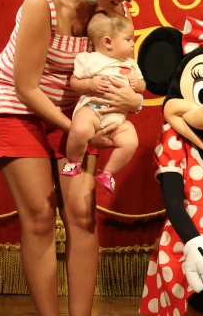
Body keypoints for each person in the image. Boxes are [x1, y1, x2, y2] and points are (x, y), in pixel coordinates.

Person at [0, 0, 148, 316]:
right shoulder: (44, 3)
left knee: (82, 211)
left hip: (76, 114)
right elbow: (26, 87)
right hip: (15, 109)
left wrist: (124, 102)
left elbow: (120, 78)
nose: (128, 2)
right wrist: (77, 125)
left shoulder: (113, 10)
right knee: (39, 214)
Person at [60, 10, 145, 194]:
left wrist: (136, 83)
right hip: (92, 110)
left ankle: (108, 173)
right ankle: (74, 161)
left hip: (117, 119)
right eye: (128, 39)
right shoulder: (90, 60)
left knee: (130, 141)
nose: (133, 43)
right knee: (80, 128)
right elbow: (74, 82)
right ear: (108, 42)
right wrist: (89, 83)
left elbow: (142, 86)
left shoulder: (131, 64)